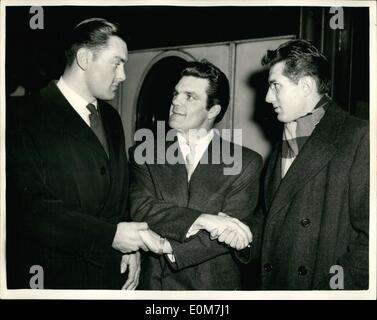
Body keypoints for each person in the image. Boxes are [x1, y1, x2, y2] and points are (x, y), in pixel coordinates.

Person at [6, 18, 150, 289]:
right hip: (52, 278)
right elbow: (30, 209)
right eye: (116, 63)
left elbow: (119, 196)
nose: (123, 76)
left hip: (110, 274)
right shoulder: (21, 116)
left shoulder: (111, 118)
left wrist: (131, 248)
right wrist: (110, 235)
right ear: (84, 58)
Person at [128, 60, 263, 290]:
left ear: (213, 110)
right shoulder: (144, 153)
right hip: (156, 289)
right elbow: (142, 208)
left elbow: (231, 232)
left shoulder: (245, 162)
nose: (175, 102)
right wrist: (204, 220)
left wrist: (165, 245)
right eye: (176, 93)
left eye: (190, 96)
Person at [259, 39, 369, 289]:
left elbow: (370, 243)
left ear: (306, 85)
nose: (267, 97)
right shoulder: (281, 145)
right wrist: (236, 231)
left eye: (276, 86)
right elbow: (271, 220)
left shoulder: (359, 137)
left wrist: (329, 291)